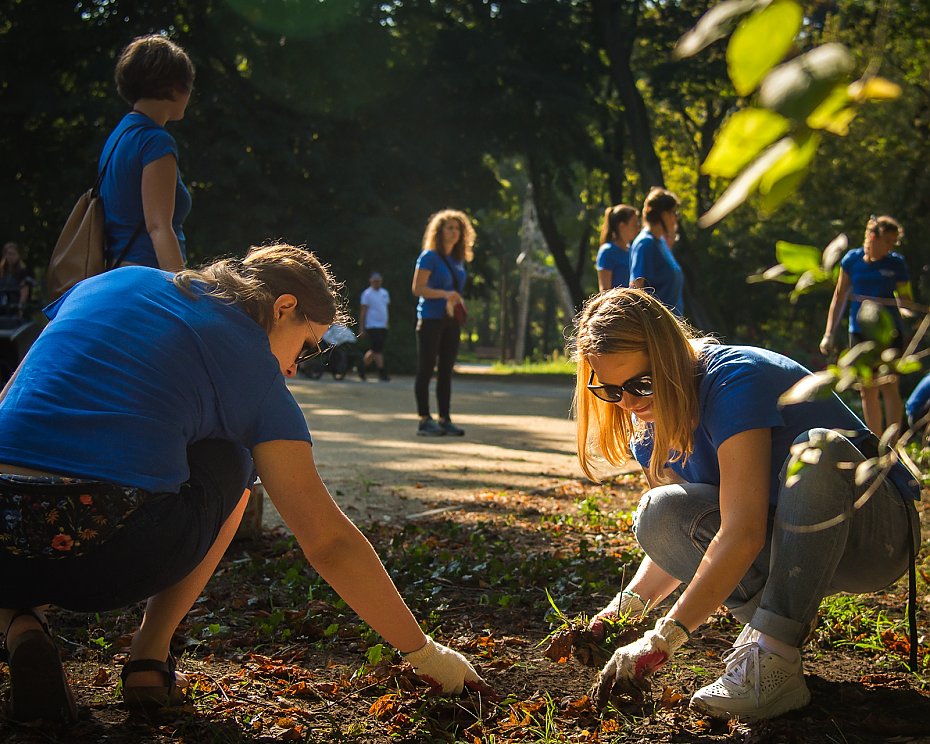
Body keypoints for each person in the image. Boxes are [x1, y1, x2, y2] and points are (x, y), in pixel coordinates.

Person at [0, 244, 486, 723]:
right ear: (284, 307)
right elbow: (328, 542)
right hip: (111, 552)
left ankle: (19, 623)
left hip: (4, 544)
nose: (295, 367)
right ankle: (149, 659)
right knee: (236, 451)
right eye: (307, 345)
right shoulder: (251, 366)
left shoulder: (115, 281)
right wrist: (424, 653)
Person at [572, 287, 919, 721]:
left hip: (876, 537)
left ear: (670, 357)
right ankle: (778, 646)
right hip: (796, 553)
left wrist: (663, 640)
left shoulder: (734, 379)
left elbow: (743, 530)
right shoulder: (649, 422)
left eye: (641, 383)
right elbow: (682, 529)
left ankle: (772, 652)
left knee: (818, 450)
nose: (628, 402)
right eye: (610, 390)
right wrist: (620, 613)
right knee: (658, 511)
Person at [99, 34, 194, 273]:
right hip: (146, 276)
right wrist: (183, 293)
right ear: (174, 87)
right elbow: (159, 227)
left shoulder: (119, 136)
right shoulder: (155, 141)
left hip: (115, 271)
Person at [820, 215, 913, 437]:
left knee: (890, 386)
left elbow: (905, 300)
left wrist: (909, 313)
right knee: (867, 390)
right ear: (872, 236)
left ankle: (894, 445)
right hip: (859, 333)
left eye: (893, 243)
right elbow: (839, 298)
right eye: (887, 241)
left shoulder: (896, 263)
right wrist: (829, 334)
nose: (890, 247)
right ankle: (875, 442)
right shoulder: (851, 261)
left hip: (888, 333)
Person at [411, 209, 475, 437]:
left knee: (446, 371)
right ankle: (424, 419)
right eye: (449, 227)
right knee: (426, 369)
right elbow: (418, 288)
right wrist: (445, 295)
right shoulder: (429, 257)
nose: (454, 232)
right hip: (430, 318)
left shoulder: (457, 261)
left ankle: (445, 419)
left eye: (458, 228)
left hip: (450, 321)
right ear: (439, 231)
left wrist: (456, 300)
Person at [628, 187, 684, 316]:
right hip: (658, 328)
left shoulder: (661, 242)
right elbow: (636, 289)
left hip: (672, 324)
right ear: (663, 215)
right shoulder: (645, 244)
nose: (676, 219)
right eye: (674, 213)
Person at [596, 204, 639, 292]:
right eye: (634, 224)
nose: (638, 228)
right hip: (617, 304)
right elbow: (604, 290)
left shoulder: (632, 250)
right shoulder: (607, 252)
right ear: (622, 226)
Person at [358, 271, 391, 381]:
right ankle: (382, 373)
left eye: (378, 281)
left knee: (375, 349)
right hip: (372, 325)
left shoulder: (384, 293)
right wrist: (361, 328)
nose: (377, 283)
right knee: (378, 350)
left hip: (382, 326)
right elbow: (363, 311)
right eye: (375, 281)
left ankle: (361, 368)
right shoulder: (367, 294)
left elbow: (385, 309)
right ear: (371, 281)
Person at [0, 242, 34, 313]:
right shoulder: (2, 271)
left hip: (15, 305)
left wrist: (20, 307)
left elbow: (24, 290)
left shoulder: (22, 271)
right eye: (9, 254)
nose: (11, 257)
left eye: (13, 254)